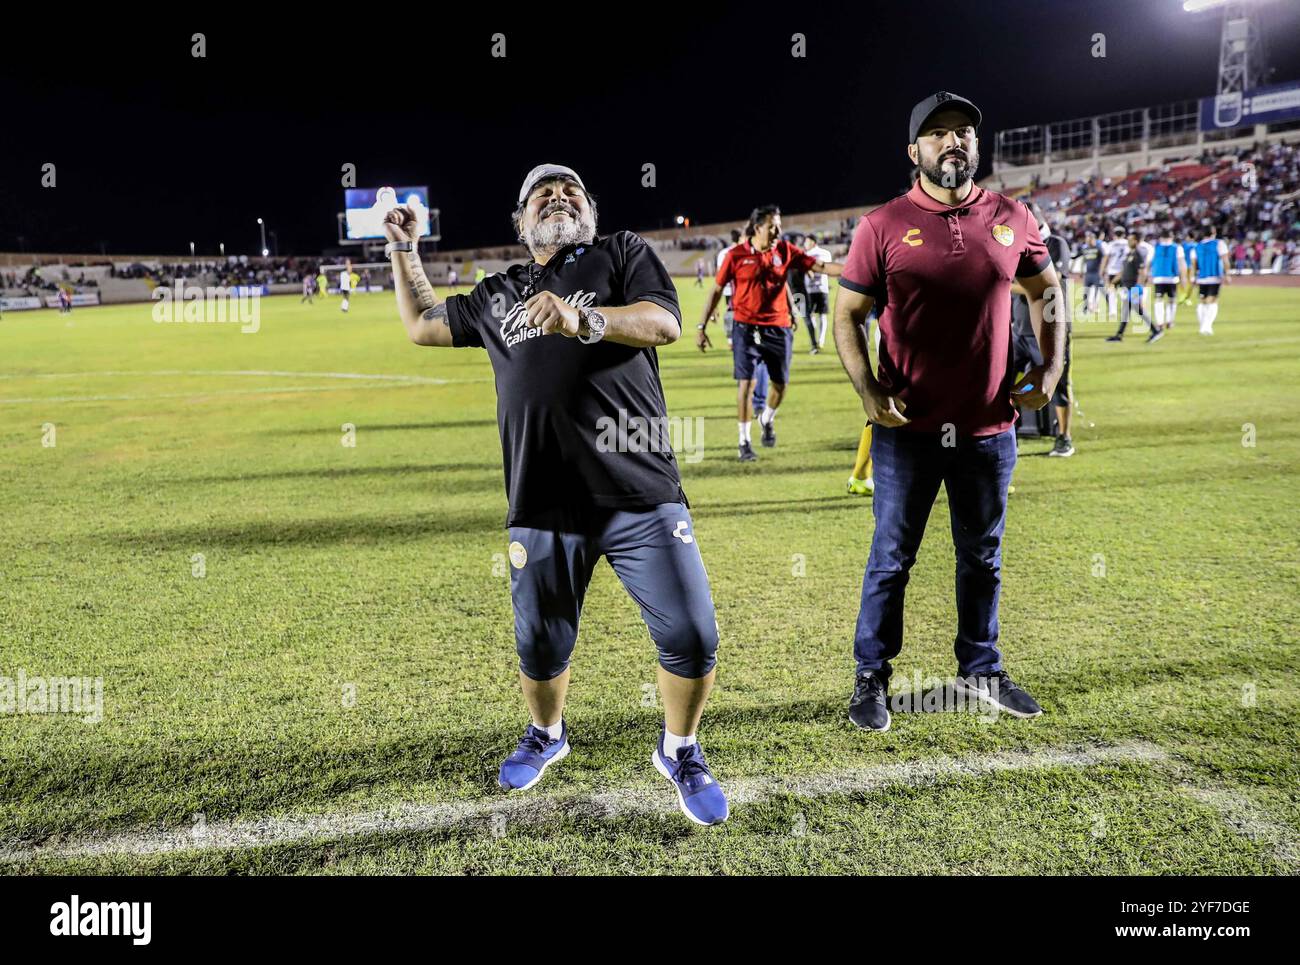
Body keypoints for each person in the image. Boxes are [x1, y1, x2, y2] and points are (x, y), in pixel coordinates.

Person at [383, 163, 729, 826]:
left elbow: (663, 323)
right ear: (521, 222)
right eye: (544, 192)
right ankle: (549, 734)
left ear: (590, 210)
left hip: (641, 489)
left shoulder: (619, 252)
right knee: (540, 646)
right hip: (541, 498)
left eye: (571, 189)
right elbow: (424, 321)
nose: (560, 196)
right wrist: (405, 248)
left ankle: (679, 747)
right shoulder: (498, 293)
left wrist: (581, 317)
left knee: (691, 631)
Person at [834, 91, 1063, 731]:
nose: (954, 142)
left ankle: (981, 669)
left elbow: (1048, 292)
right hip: (908, 430)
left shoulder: (1013, 216)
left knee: (982, 556)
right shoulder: (880, 225)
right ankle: (871, 678)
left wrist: (1050, 368)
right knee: (891, 556)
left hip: (989, 428)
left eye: (963, 132)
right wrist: (867, 390)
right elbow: (846, 316)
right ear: (915, 152)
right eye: (938, 135)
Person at [698, 205, 843, 461]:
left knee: (780, 385)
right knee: (747, 383)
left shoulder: (785, 251)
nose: (778, 231)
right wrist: (702, 326)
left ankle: (766, 417)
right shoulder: (736, 255)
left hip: (778, 327)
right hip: (745, 327)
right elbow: (717, 289)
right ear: (757, 228)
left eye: (779, 225)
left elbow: (819, 266)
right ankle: (744, 441)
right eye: (772, 226)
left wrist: (856, 267)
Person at [1104, 232, 1154, 342]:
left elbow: (1143, 272)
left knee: (1137, 310)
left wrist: (1139, 286)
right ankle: (1119, 335)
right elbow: (1123, 271)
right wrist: (1113, 281)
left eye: (1131, 239)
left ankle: (1156, 331)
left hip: (1134, 287)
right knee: (1126, 311)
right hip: (1128, 287)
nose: (1128, 241)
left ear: (1136, 241)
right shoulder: (1129, 254)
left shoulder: (1138, 254)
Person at [1192, 226, 1230, 335]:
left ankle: (1202, 326)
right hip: (1214, 275)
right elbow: (1225, 259)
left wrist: (1193, 277)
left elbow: (1194, 263)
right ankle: (1206, 327)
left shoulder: (1197, 246)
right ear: (1214, 233)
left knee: (1202, 301)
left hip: (1202, 276)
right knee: (1212, 301)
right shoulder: (1219, 243)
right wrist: (1227, 274)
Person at [1149, 228, 1187, 334]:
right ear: (1172, 237)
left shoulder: (1155, 247)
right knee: (1172, 300)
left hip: (1158, 277)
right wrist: (1183, 278)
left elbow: (1149, 263)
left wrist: (1148, 276)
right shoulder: (1177, 248)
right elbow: (1182, 263)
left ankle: (1159, 322)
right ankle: (1170, 321)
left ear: (1161, 237)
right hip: (1172, 278)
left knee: (1158, 300)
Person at [803, 232, 833, 353]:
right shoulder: (826, 253)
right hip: (822, 288)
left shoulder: (805, 255)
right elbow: (829, 269)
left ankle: (815, 340)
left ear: (812, 242)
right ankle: (821, 340)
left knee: (810, 315)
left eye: (806, 241)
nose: (804, 244)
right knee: (822, 315)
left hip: (809, 289)